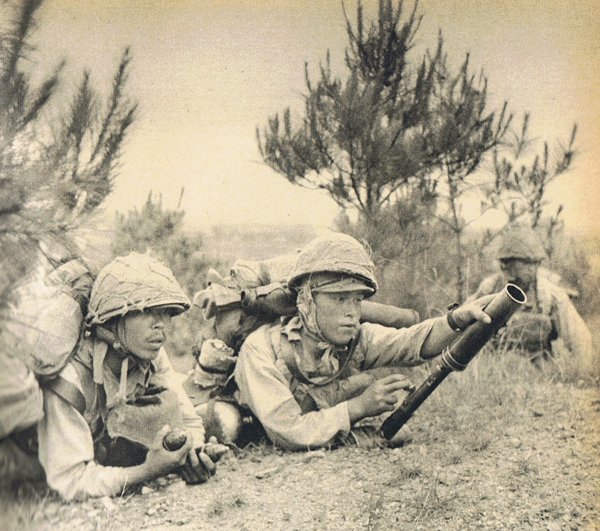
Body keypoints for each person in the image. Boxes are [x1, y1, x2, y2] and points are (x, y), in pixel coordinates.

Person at [233, 232, 495, 451]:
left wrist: (457, 319)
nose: (351, 312)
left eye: (357, 299)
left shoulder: (355, 337)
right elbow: (289, 432)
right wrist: (359, 407)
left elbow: (411, 343)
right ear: (306, 300)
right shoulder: (260, 351)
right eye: (339, 299)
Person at [36, 253, 225, 501]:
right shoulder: (71, 380)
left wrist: (194, 453)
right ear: (114, 318)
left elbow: (188, 420)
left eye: (165, 312)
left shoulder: (149, 354)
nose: (161, 325)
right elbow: (71, 482)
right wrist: (148, 470)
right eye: (148, 311)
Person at [468, 225, 593, 367]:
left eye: (535, 263)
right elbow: (462, 325)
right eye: (526, 263)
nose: (532, 268)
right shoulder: (490, 288)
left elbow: (580, 340)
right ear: (507, 263)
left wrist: (583, 375)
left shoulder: (550, 294)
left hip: (538, 368)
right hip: (495, 367)